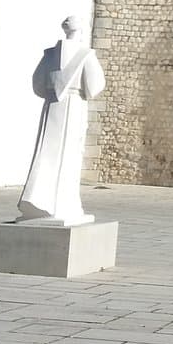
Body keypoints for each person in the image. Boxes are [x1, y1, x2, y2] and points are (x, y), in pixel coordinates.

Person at [18, 16, 105, 224]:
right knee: (69, 157)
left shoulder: (49, 55)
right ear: (80, 31)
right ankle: (65, 204)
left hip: (51, 107)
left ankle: (38, 199)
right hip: (74, 107)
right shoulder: (86, 55)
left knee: (45, 153)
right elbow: (94, 87)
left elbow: (37, 85)